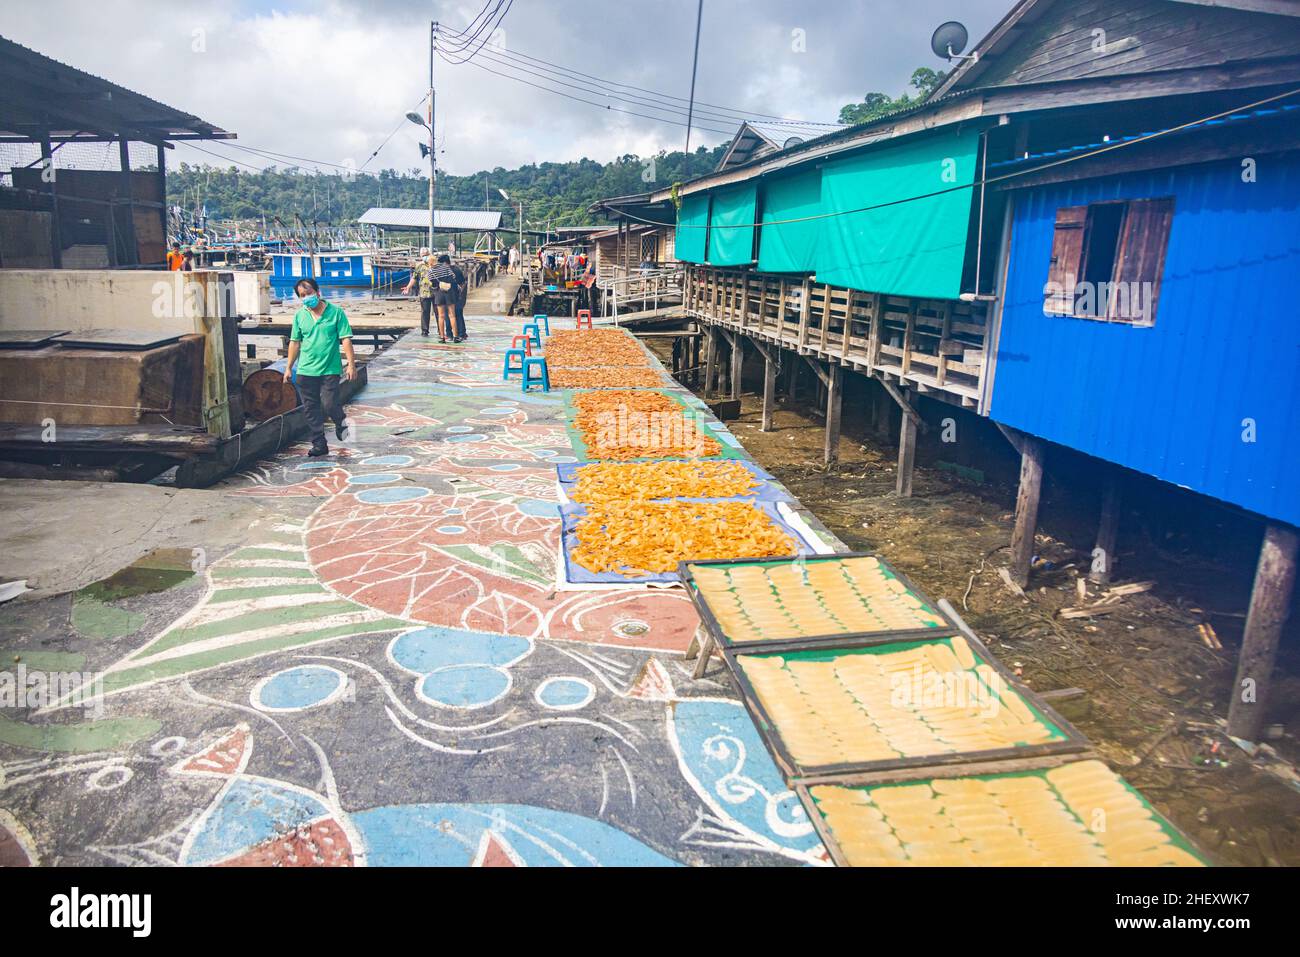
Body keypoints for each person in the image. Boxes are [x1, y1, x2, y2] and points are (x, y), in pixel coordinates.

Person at [284, 278, 356, 457]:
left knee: (329, 404)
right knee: (310, 409)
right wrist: (288, 367)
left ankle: (340, 421)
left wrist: (351, 364)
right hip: (305, 370)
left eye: (308, 293)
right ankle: (319, 444)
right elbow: (295, 342)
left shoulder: (336, 313)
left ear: (317, 292)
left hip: (329, 369)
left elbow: (345, 338)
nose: (306, 297)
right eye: (302, 295)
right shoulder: (300, 316)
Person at [403, 253, 436, 336]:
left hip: (436, 292)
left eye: (426, 254)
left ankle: (441, 330)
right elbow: (414, 278)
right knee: (425, 312)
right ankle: (425, 331)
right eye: (423, 255)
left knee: (438, 312)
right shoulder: (419, 266)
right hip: (424, 293)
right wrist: (408, 287)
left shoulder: (435, 264)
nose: (425, 256)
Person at [429, 254, 459, 342]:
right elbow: (453, 276)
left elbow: (432, 283)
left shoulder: (431, 271)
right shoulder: (445, 267)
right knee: (452, 315)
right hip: (449, 292)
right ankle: (456, 337)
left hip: (439, 293)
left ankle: (442, 337)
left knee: (441, 316)